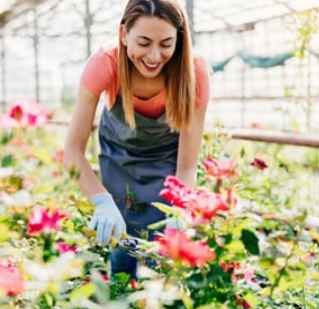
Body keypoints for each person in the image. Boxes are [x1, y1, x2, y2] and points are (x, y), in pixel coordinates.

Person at [63, 0, 210, 279]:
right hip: (119, 155)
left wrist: (180, 212)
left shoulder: (195, 73)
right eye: (144, 42)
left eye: (166, 43)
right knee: (122, 237)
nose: (155, 56)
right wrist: (101, 201)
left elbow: (187, 166)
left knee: (164, 245)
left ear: (179, 39)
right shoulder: (104, 64)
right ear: (123, 34)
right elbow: (72, 150)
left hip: (168, 156)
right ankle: (120, 290)